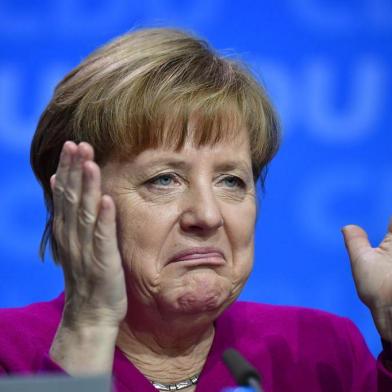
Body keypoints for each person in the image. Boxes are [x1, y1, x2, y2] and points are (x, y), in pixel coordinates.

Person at [0, 27, 391, 391]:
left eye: (231, 181)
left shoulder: (319, 350)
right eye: (165, 179)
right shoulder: (10, 355)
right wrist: (89, 326)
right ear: (75, 200)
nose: (207, 215)